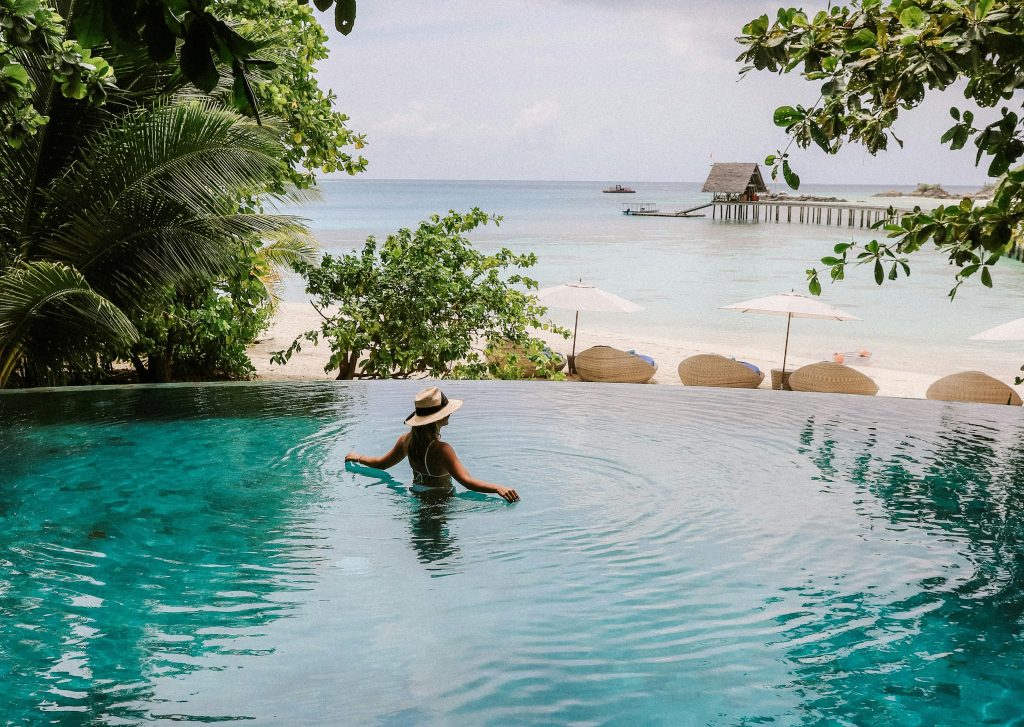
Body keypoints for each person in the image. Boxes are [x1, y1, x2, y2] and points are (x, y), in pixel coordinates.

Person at [345, 386, 520, 503]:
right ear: (438, 417)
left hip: (416, 497)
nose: (450, 414)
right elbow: (467, 482)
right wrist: (498, 487)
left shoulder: (406, 441)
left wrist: (358, 457)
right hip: (441, 503)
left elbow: (381, 464)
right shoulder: (443, 449)